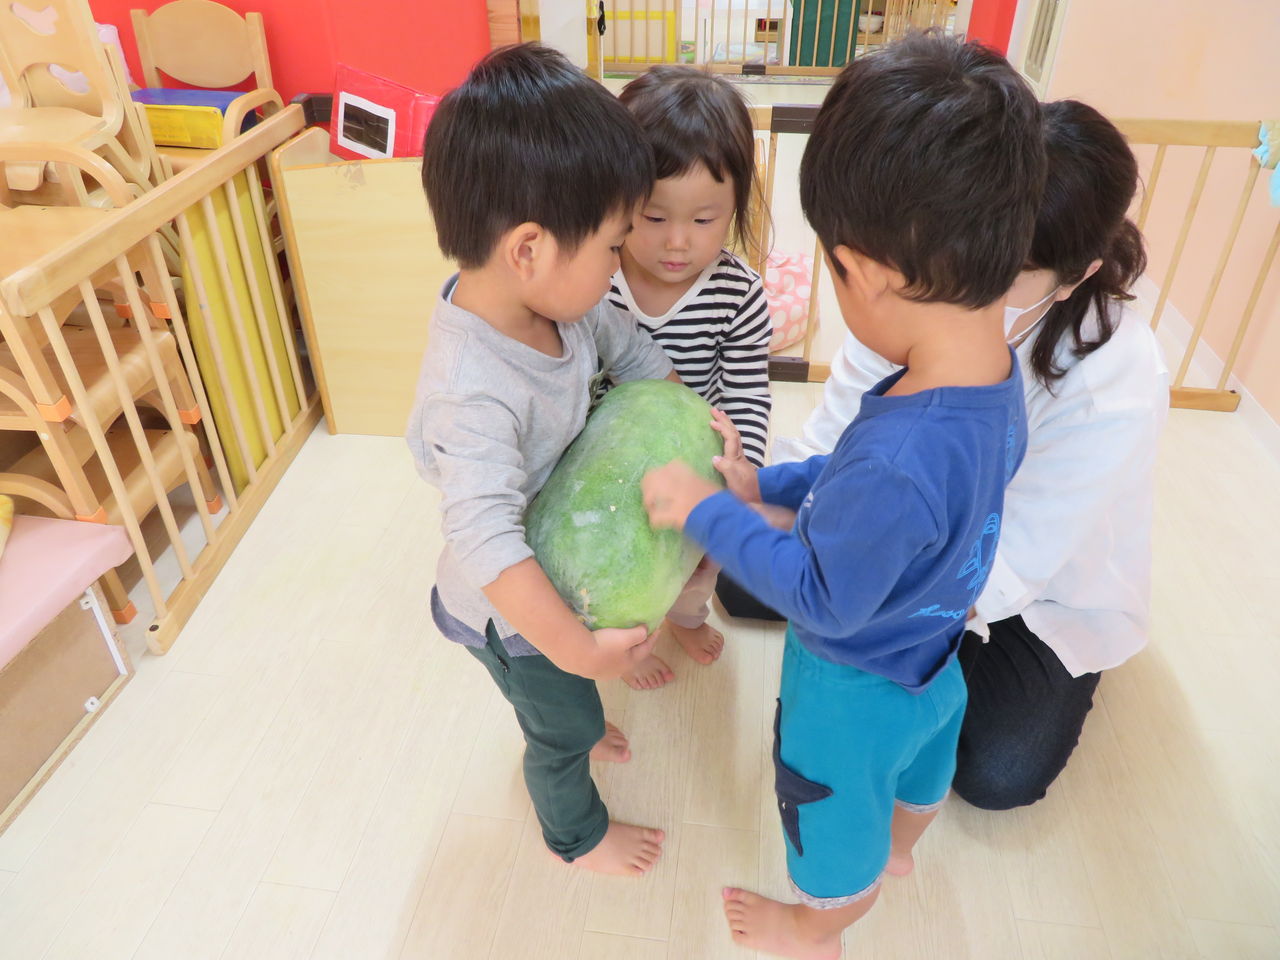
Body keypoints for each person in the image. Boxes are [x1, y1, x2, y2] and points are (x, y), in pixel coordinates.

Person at [641, 33, 1045, 960]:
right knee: (920, 779)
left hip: (850, 688)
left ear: (865, 272)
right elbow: (853, 477)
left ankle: (818, 925)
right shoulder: (992, 374)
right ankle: (901, 849)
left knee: (828, 823)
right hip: (935, 658)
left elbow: (822, 596)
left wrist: (708, 511)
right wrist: (768, 484)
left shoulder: (901, 452)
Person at [766, 98, 1169, 811]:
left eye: (1013, 272)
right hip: (918, 540)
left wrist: (839, 575)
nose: (978, 288)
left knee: (994, 771)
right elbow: (835, 440)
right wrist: (767, 503)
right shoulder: (924, 286)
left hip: (1025, 588)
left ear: (1076, 275)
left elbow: (1008, 562)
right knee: (756, 578)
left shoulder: (1116, 376)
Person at [408, 43, 679, 877]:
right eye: (612, 246)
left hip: (552, 569)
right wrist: (575, 653)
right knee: (560, 729)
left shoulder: (562, 305)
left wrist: (694, 422)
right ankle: (575, 836)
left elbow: (633, 351)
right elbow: (487, 541)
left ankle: (573, 711)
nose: (619, 265)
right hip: (510, 613)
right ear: (528, 249)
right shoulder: (473, 390)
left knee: (572, 700)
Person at [606, 66, 773, 690]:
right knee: (620, 560)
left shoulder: (738, 292)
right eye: (653, 217)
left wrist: (742, 464)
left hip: (697, 462)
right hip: (613, 461)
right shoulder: (595, 278)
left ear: (735, 209)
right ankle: (628, 640)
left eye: (704, 221)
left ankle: (684, 616)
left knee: (697, 567)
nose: (677, 243)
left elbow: (747, 389)